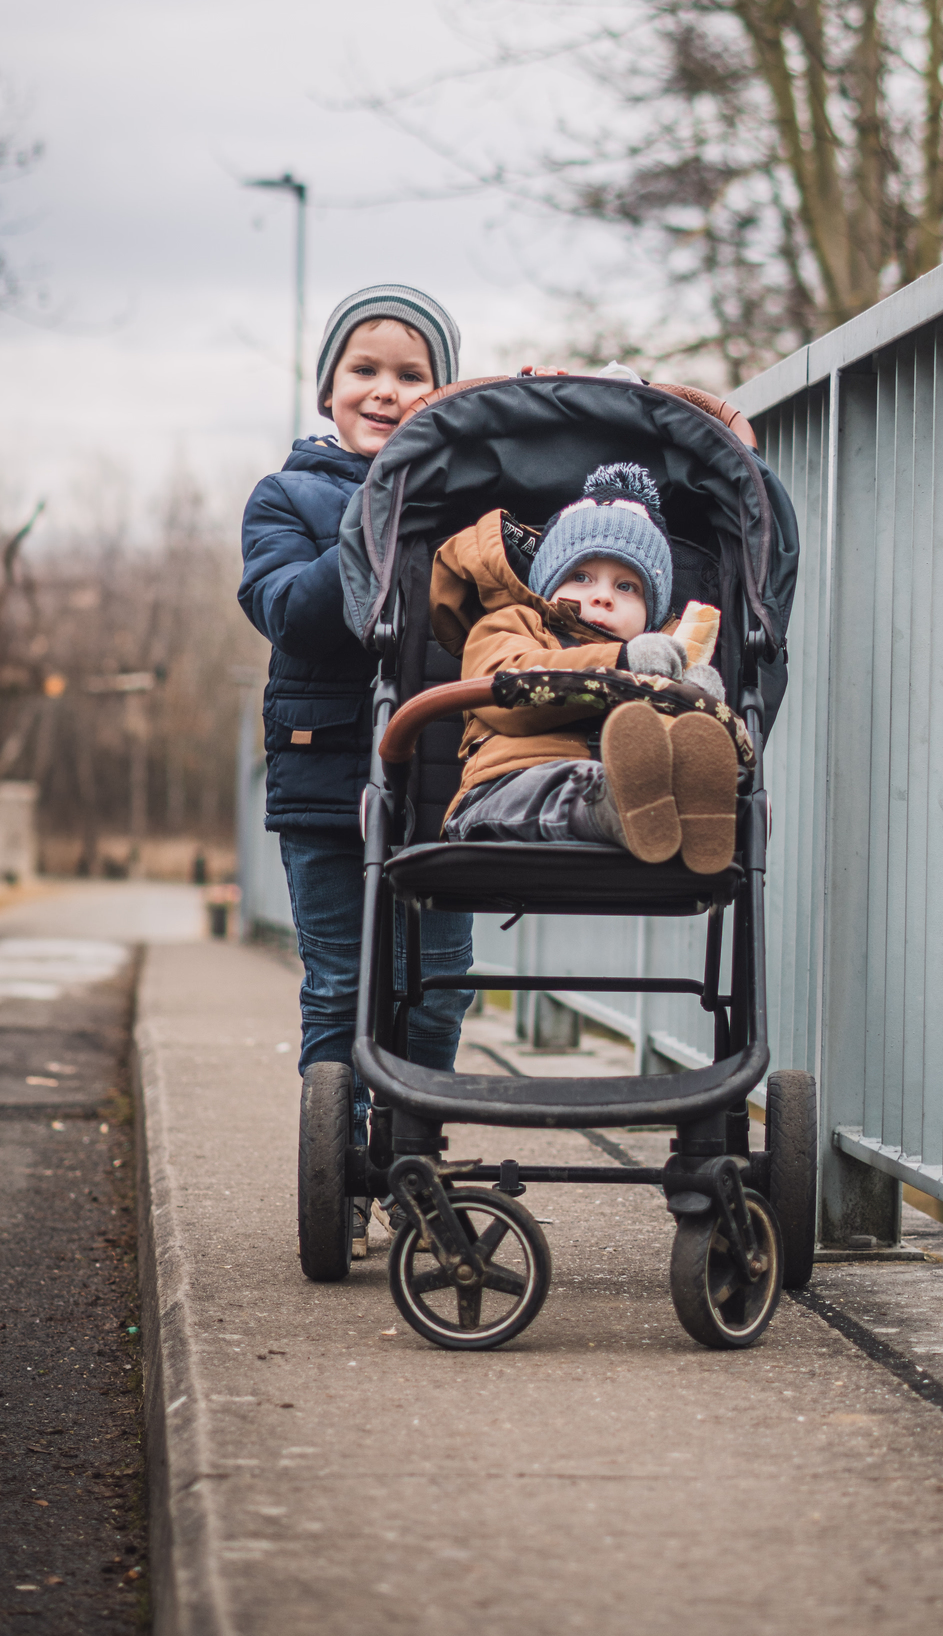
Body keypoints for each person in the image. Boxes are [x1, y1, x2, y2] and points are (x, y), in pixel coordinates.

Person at [238, 286, 475, 1250]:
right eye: (364, 372)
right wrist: (374, 513)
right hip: (325, 781)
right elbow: (291, 612)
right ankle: (340, 1167)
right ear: (329, 386)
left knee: (440, 979)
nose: (385, 391)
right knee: (338, 982)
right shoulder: (286, 496)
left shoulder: (468, 499)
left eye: (411, 376)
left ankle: (410, 1157)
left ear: (444, 392)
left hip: (444, 783)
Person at [435, 462, 741, 874]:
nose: (602, 597)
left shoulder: (662, 663)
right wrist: (621, 663)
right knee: (560, 786)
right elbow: (504, 685)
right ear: (548, 582)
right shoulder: (515, 624)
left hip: (636, 803)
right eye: (580, 576)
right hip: (507, 787)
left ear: (652, 613)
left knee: (683, 738)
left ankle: (686, 813)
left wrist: (696, 699)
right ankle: (617, 806)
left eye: (626, 586)